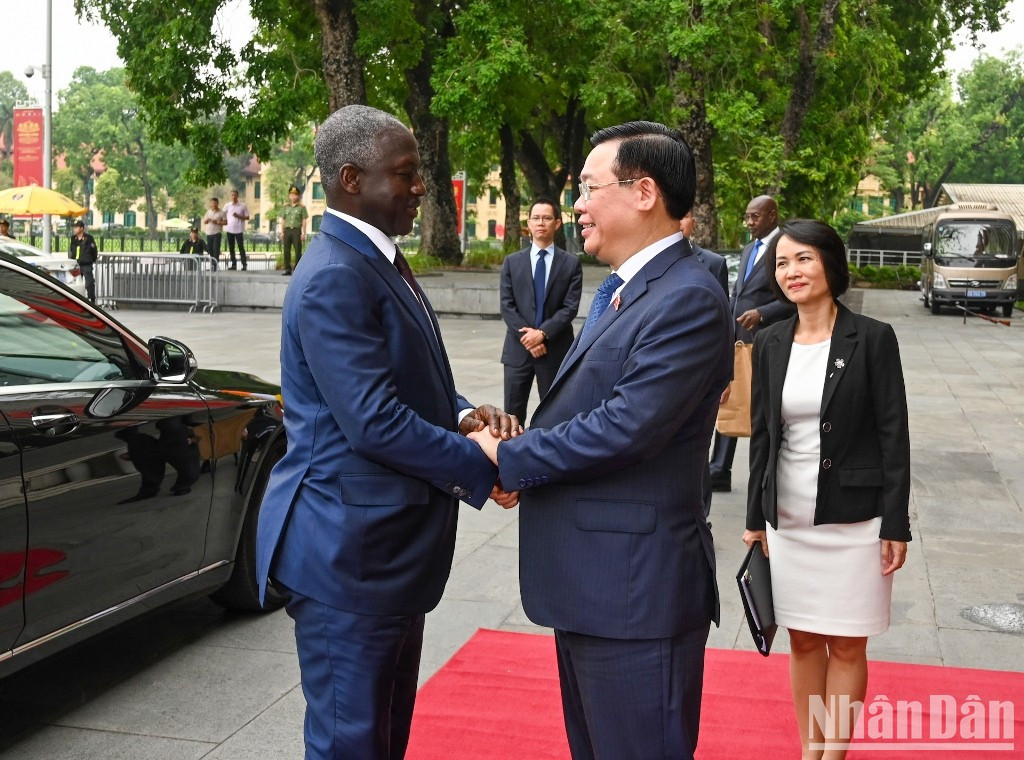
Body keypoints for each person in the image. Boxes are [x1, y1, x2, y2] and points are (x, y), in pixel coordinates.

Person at [254, 104, 519, 760]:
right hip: (348, 557)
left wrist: (464, 417)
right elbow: (373, 422)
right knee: (354, 743)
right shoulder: (335, 278)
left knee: (382, 736)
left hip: (383, 555)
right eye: (404, 175)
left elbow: (406, 379)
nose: (420, 187)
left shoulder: (374, 260)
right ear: (351, 180)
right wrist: (481, 462)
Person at [470, 121, 732, 760]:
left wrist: (512, 458)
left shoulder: (688, 297)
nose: (576, 206)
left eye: (589, 188)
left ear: (644, 192)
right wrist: (521, 445)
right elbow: (588, 410)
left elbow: (626, 426)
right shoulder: (625, 289)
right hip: (598, 588)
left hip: (636, 598)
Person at [742, 219, 910, 759]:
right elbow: (763, 437)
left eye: (804, 259)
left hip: (855, 519)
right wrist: (753, 519)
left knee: (847, 641)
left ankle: (832, 755)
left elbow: (894, 434)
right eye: (782, 263)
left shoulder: (873, 338)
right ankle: (808, 749)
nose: (792, 272)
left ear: (829, 265)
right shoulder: (768, 342)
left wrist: (895, 522)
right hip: (788, 518)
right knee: (804, 639)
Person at [708, 194, 794, 492]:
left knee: (767, 408)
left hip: (769, 341)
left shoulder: (786, 248)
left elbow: (794, 296)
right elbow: (738, 292)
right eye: (747, 216)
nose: (749, 222)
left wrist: (763, 313)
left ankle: (774, 470)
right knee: (729, 399)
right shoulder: (748, 250)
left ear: (772, 215)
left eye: (755, 217)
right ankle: (719, 469)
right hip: (739, 339)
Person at [498, 198, 583, 422]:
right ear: (529, 223)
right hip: (518, 350)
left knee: (555, 414)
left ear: (557, 223)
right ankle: (511, 455)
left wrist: (542, 334)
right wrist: (529, 338)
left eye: (546, 218)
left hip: (554, 349)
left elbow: (570, 307)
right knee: (512, 415)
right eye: (535, 218)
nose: (540, 223)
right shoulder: (511, 262)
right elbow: (507, 306)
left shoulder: (571, 264)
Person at [680, 209, 729, 523]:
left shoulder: (713, 263)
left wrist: (727, 377)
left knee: (699, 446)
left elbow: (723, 323)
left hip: (704, 370)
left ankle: (702, 513)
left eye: (684, 217)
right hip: (669, 367)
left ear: (692, 222)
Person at [279, 184, 308, 275]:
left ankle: (297, 269)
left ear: (298, 196)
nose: (293, 197)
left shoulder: (302, 208)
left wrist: (303, 233)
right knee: (286, 250)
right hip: (287, 231)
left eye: (295, 195)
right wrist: (282, 232)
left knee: (298, 250)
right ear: (289, 196)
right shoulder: (285, 207)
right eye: (291, 195)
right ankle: (287, 269)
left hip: (296, 231)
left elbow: (304, 221)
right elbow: (283, 220)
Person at [69, 220, 98, 301]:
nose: (75, 229)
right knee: (76, 283)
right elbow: (71, 250)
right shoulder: (73, 239)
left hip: (86, 264)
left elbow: (94, 250)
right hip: (76, 264)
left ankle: (91, 299)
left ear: (82, 228)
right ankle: (77, 300)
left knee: (89, 283)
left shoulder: (89, 238)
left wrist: (92, 259)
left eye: (76, 227)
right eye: (74, 227)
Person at [223, 189, 250, 270]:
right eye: (232, 195)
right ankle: (234, 264)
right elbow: (223, 214)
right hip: (230, 230)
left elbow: (247, 217)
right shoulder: (227, 206)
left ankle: (244, 264)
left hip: (239, 230)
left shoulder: (242, 206)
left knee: (241, 247)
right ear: (230, 196)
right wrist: (224, 221)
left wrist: (239, 216)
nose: (233, 196)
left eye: (235, 195)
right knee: (231, 248)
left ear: (238, 196)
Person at [202, 197, 226, 269]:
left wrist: (217, 222)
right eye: (212, 203)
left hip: (217, 233)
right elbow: (204, 221)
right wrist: (207, 221)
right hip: (209, 233)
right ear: (210, 204)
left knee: (216, 249)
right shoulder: (208, 212)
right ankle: (212, 265)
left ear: (218, 203)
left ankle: (215, 265)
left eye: (215, 203)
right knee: (210, 250)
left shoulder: (222, 212)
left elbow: (225, 222)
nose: (214, 204)